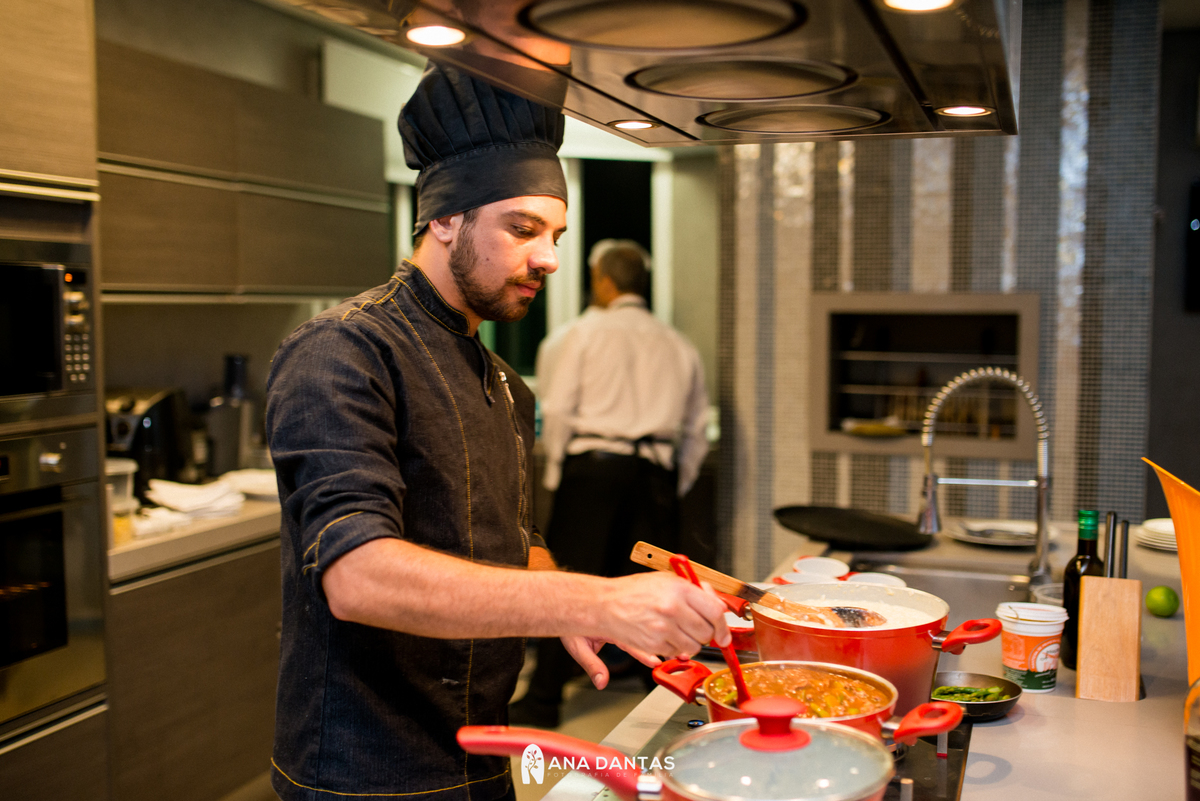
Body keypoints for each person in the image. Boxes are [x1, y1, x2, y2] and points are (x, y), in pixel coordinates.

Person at [264, 63, 730, 801]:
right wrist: (591, 600)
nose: (548, 256)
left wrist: (561, 601)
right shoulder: (344, 351)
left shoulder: (504, 383)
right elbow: (356, 574)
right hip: (363, 773)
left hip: (483, 752)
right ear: (443, 219)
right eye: (522, 229)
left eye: (555, 234)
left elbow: (516, 537)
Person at [510, 240, 710, 728]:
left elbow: (555, 413)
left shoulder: (576, 335)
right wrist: (669, 484)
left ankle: (543, 701)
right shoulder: (678, 344)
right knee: (652, 589)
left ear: (604, 280)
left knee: (572, 583)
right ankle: (663, 697)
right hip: (654, 475)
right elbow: (697, 431)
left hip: (592, 473)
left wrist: (557, 476)